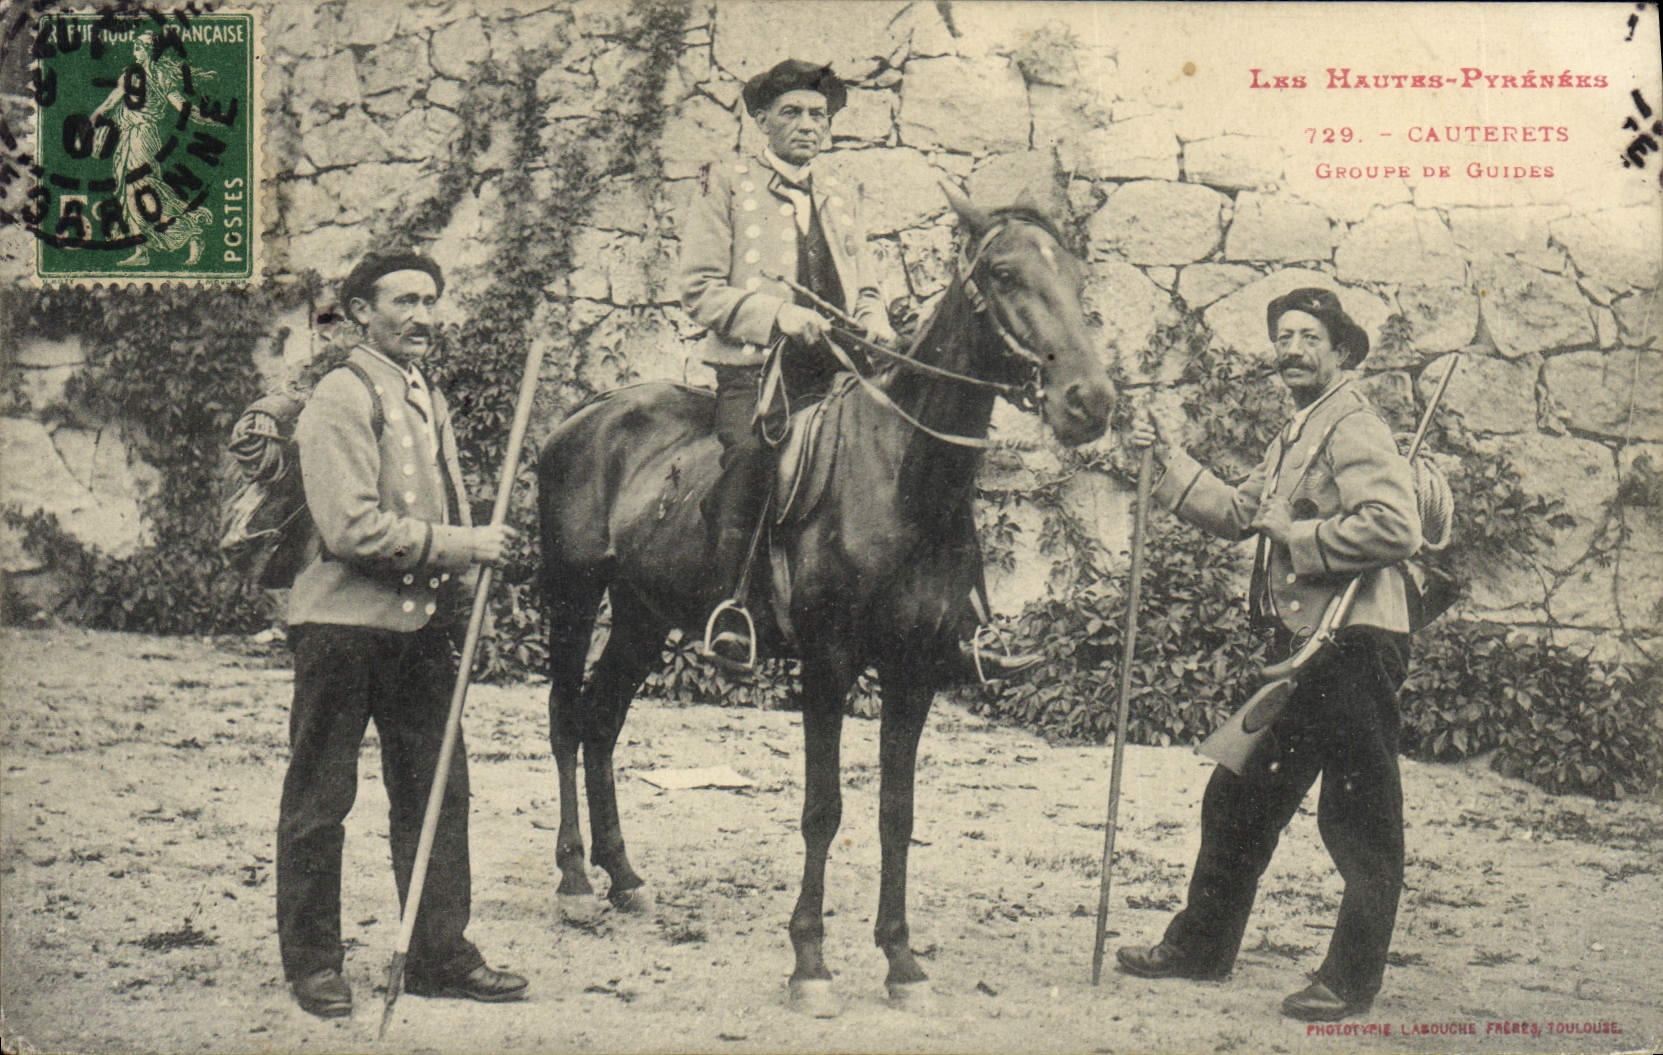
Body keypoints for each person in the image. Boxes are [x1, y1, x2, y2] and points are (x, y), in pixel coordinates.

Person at [1117, 287, 1422, 1022]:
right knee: (1238, 793)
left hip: (1356, 642)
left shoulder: (1351, 423)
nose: (1289, 348)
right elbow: (1236, 513)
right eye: (1282, 336)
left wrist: (1298, 539)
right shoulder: (1296, 432)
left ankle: (1348, 981)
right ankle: (1200, 947)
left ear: (1342, 351)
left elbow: (1395, 525)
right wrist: (1167, 462)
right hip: (1306, 650)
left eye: (1307, 337)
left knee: (1356, 817)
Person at [680, 58, 1034, 678]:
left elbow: (864, 284)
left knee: (932, 456)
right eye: (791, 112)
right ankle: (732, 609)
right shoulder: (725, 184)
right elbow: (699, 288)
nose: (807, 125)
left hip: (840, 366)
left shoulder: (840, 192)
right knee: (751, 453)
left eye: (818, 115)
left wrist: (871, 317)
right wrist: (777, 316)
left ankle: (968, 621)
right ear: (762, 119)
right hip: (760, 369)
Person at [276, 252, 526, 1018]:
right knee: (322, 797)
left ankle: (437, 954)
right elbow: (350, 526)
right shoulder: (341, 397)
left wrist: (472, 559)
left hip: (418, 630)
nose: (423, 315)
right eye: (404, 301)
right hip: (343, 629)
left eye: (431, 300)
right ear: (359, 312)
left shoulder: (426, 395)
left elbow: (441, 506)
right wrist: (462, 546)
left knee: (438, 793)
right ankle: (315, 964)